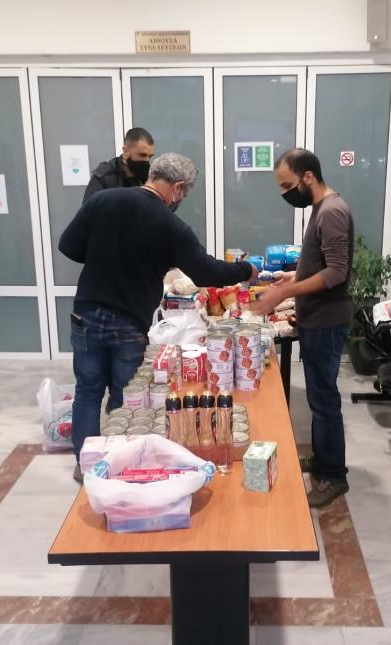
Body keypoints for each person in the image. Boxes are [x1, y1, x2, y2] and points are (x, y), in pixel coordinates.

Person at [60, 153, 257, 482]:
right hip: (127, 323)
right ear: (178, 188)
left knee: (88, 392)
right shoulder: (169, 224)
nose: (180, 200)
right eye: (184, 194)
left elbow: (68, 245)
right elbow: (205, 271)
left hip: (87, 314)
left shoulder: (103, 200)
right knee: (128, 401)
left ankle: (86, 466)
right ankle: (121, 470)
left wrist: (104, 255)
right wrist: (245, 269)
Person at [251, 148, 354, 508]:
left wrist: (284, 293)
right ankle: (323, 460)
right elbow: (320, 265)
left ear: (308, 176)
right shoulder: (321, 208)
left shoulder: (332, 211)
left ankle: (334, 476)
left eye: (287, 185)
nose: (285, 193)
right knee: (317, 398)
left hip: (326, 321)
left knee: (324, 401)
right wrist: (292, 276)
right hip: (316, 318)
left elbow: (336, 272)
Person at [81, 127, 155, 205]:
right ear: (126, 151)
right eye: (142, 155)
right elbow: (89, 209)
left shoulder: (151, 178)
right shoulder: (105, 177)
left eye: (150, 156)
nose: (147, 160)